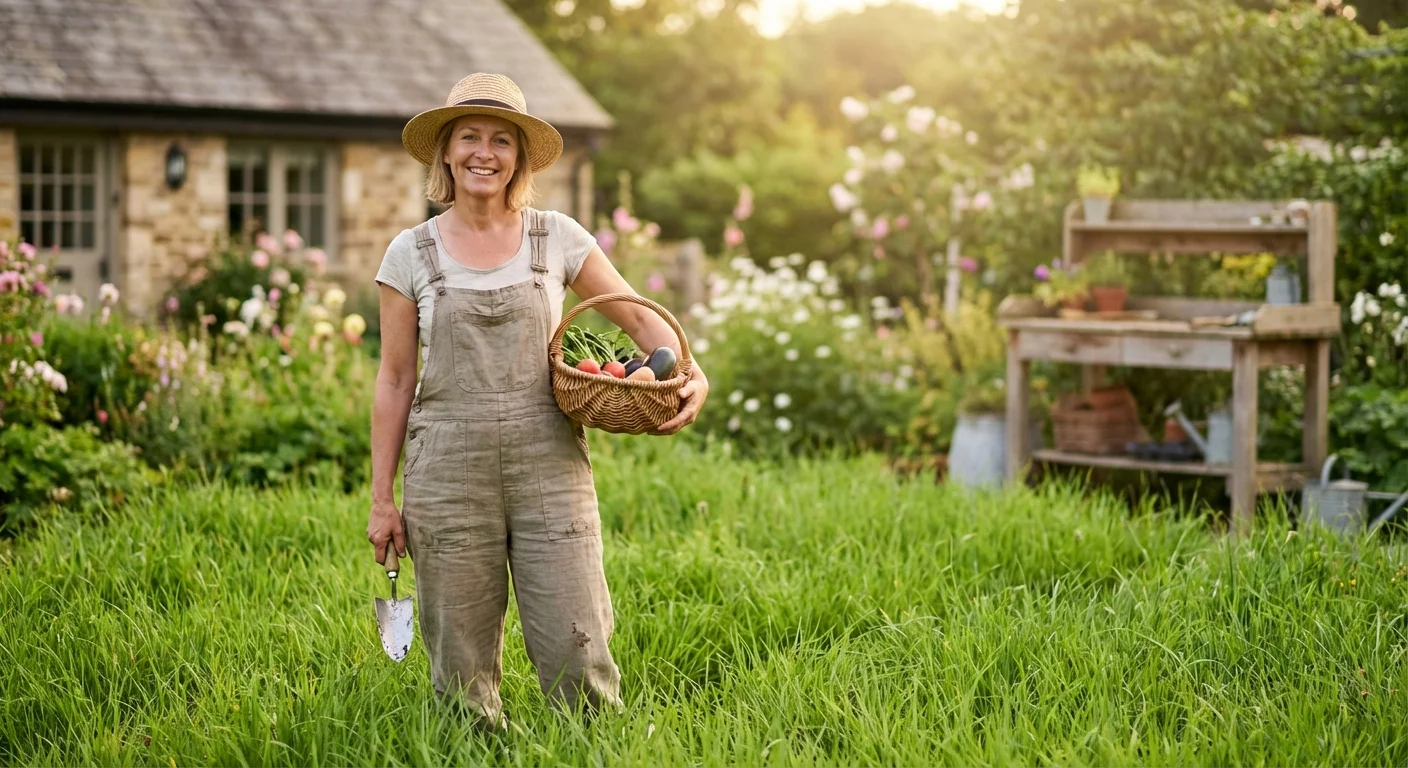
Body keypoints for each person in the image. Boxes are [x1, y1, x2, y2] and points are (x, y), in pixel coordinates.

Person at [366, 73, 708, 726]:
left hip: (549, 465)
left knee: (577, 640)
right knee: (459, 665)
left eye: (501, 140)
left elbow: (639, 321)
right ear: (445, 150)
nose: (483, 153)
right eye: (469, 137)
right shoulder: (410, 253)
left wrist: (693, 372)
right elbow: (393, 379)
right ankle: (471, 749)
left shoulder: (557, 238)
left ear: (519, 157)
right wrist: (383, 500)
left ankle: (588, 748)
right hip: (446, 470)